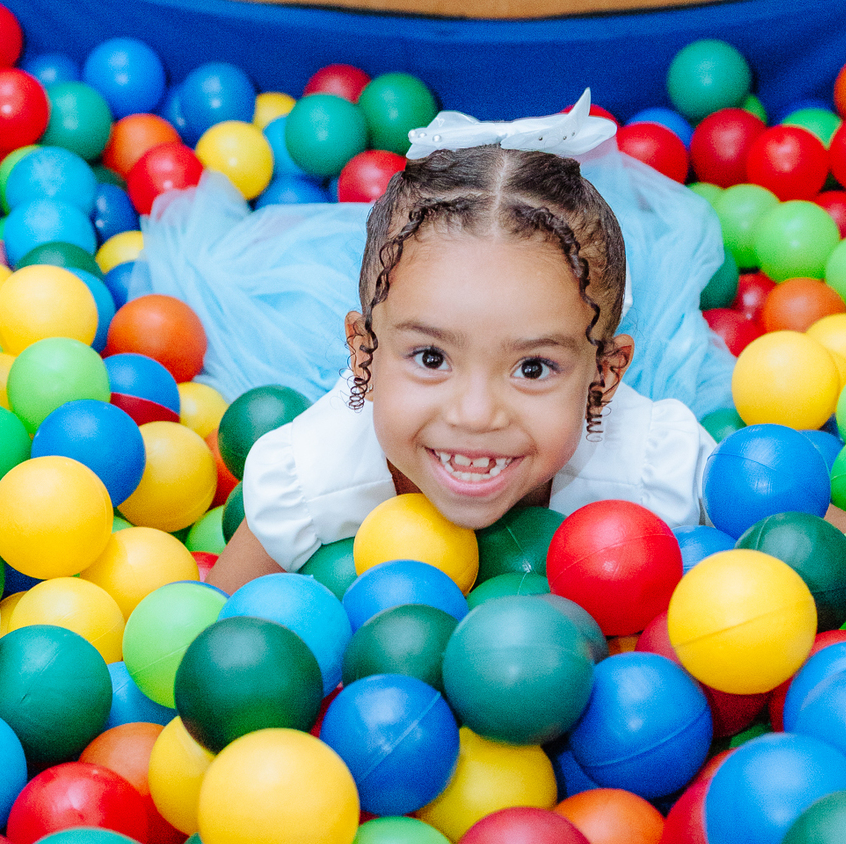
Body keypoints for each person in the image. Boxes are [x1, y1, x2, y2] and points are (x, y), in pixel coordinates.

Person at [208, 96, 728, 591]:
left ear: (606, 376)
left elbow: (786, 555)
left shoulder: (651, 466)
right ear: (363, 351)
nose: (476, 415)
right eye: (431, 358)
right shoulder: (318, 474)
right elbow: (216, 634)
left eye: (533, 368)